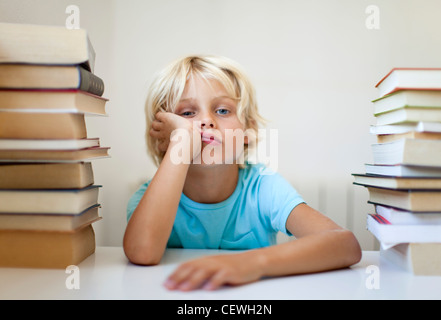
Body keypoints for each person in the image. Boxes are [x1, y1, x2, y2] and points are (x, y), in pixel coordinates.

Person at [123, 55, 361, 291]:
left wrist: (250, 263)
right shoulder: (151, 197)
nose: (206, 121)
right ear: (163, 137)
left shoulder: (262, 187)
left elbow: (345, 245)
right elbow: (142, 252)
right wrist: (182, 141)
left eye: (223, 110)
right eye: (186, 114)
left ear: (248, 131)